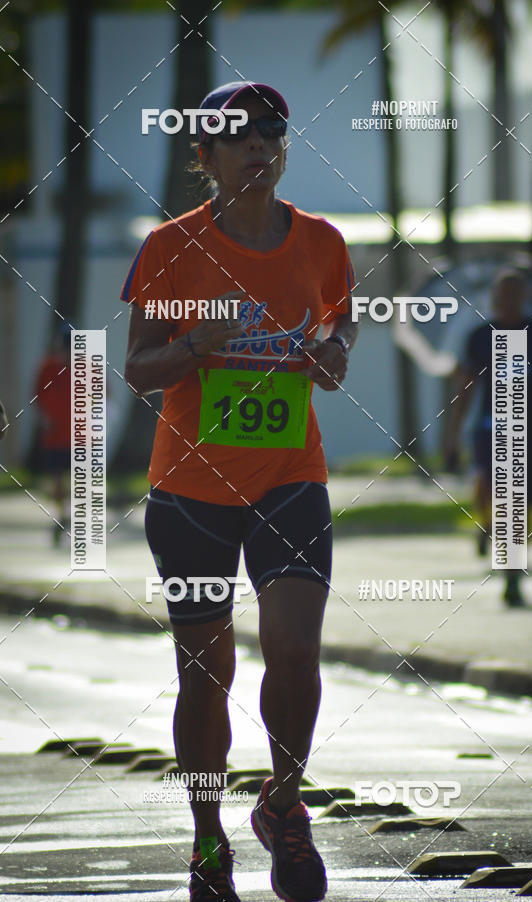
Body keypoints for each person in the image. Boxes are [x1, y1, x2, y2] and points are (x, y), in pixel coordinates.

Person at [122, 81, 358, 902]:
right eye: (235, 134)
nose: (256, 143)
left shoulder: (323, 242)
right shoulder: (168, 248)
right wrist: (195, 343)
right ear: (206, 157)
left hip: (292, 477)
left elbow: (340, 320)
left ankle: (284, 805)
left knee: (294, 655)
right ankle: (207, 837)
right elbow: (138, 368)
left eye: (269, 131)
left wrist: (334, 354)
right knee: (205, 672)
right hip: (191, 492)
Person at [444, 269, 532, 606]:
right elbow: (465, 388)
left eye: (515, 293)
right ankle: (487, 524)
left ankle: (513, 574)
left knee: (519, 502)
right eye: (502, 293)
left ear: (525, 297)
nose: (508, 300)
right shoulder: (481, 336)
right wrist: (452, 434)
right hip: (490, 427)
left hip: (528, 427)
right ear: (494, 298)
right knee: (490, 486)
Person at [34, 325, 71, 545]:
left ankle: (74, 519)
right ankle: (62, 515)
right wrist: (44, 419)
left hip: (79, 437)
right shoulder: (47, 367)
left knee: (78, 481)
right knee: (57, 480)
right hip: (55, 436)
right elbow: (37, 396)